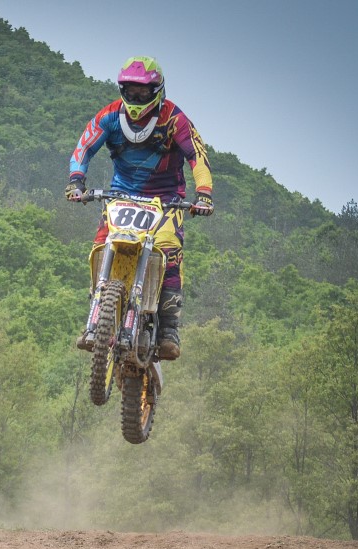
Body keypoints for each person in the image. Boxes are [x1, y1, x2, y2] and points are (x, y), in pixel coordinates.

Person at [65, 56, 214, 360]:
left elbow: (197, 156)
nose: (136, 97)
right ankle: (96, 316)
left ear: (156, 90)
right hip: (121, 195)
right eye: (130, 91)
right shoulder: (109, 116)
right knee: (101, 245)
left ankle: (169, 329)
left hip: (167, 199)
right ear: (122, 90)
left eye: (143, 92)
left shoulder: (174, 119)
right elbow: (84, 147)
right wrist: (76, 181)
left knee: (169, 251)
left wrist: (204, 194)